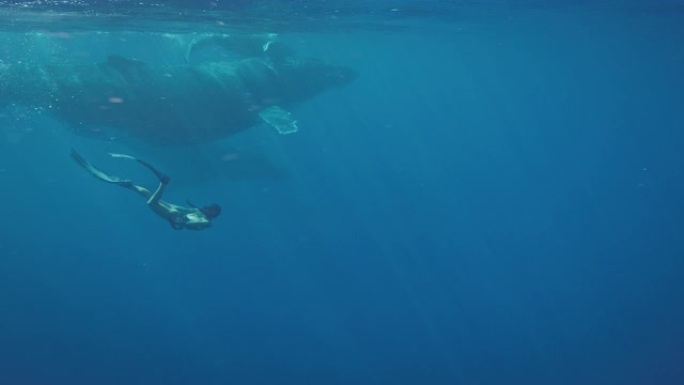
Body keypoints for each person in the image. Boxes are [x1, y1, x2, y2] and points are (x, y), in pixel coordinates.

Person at [71, 149, 220, 230]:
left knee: (150, 198)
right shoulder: (199, 214)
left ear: (213, 214)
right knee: (150, 201)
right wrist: (182, 218)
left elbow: (191, 222)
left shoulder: (204, 219)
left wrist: (184, 220)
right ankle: (162, 183)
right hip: (171, 212)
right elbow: (184, 215)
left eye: (209, 208)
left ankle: (131, 185)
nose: (206, 207)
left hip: (173, 214)